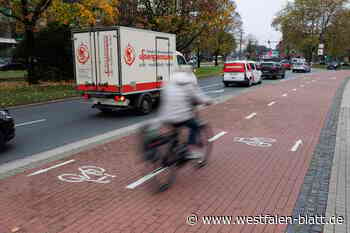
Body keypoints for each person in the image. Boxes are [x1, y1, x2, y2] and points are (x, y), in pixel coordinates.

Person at [158, 68, 213, 158]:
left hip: (165, 115)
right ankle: (189, 149)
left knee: (174, 132)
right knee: (195, 126)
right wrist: (208, 101)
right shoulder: (188, 83)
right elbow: (198, 97)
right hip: (181, 115)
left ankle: (168, 151)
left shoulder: (169, 81)